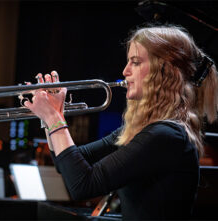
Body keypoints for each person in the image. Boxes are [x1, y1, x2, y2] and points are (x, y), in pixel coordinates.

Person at [24, 24, 218, 220]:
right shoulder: (144, 131)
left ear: (163, 71)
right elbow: (65, 165)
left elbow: (82, 185)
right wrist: (50, 117)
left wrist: (54, 118)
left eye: (135, 62)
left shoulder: (165, 136)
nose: (125, 71)